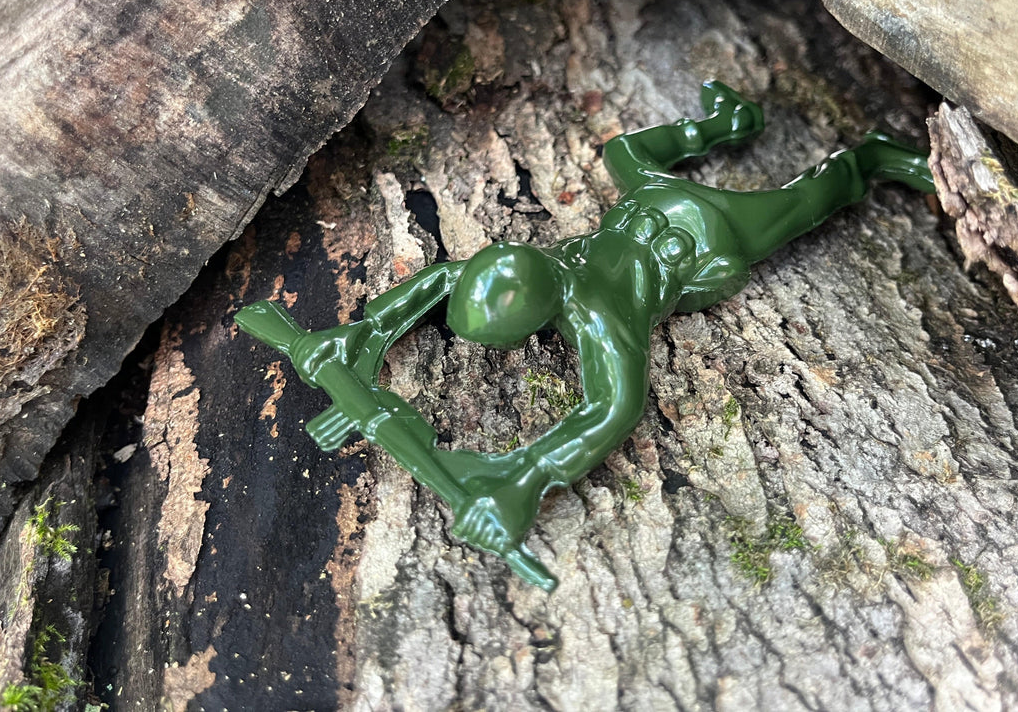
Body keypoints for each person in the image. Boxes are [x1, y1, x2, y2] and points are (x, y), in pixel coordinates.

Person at [235, 81, 934, 589]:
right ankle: (724, 122)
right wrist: (368, 330)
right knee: (624, 150)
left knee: (811, 197)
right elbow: (444, 277)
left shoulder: (601, 313)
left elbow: (614, 407)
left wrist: (528, 477)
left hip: (713, 234)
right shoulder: (543, 265)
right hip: (647, 200)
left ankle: (874, 155)